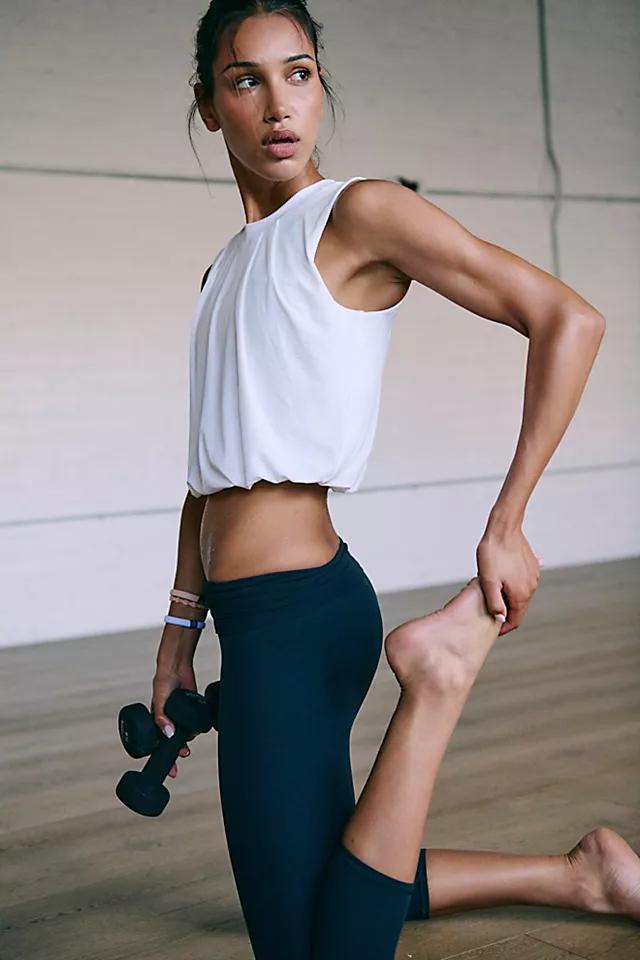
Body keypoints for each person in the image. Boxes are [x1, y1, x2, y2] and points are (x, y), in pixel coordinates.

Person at [149, 2, 640, 957]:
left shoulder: (357, 215)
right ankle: (580, 877)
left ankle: (438, 679)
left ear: (320, 86)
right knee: (330, 882)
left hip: (301, 615)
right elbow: (206, 477)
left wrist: (507, 523)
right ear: (209, 105)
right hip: (251, 619)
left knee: (312, 948)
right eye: (247, 80)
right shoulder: (224, 271)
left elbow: (567, 319)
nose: (279, 104)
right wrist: (179, 635)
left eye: (299, 73)